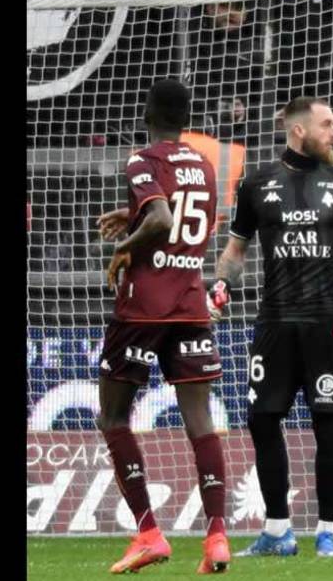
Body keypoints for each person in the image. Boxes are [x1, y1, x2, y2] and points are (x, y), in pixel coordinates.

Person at [209, 96, 333, 558]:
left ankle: (327, 531)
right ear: (299, 130)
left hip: (326, 322)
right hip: (274, 323)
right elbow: (236, 250)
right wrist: (220, 284)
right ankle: (278, 531)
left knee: (327, 421)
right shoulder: (257, 184)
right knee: (262, 420)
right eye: (328, 125)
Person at [93, 79, 231, 574]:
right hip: (190, 301)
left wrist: (124, 245)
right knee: (200, 424)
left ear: (147, 112)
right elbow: (184, 220)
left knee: (113, 417)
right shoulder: (205, 165)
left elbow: (160, 216)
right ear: (186, 117)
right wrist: (132, 216)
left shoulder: (141, 159)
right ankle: (217, 537)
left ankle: (149, 532)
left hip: (142, 307)